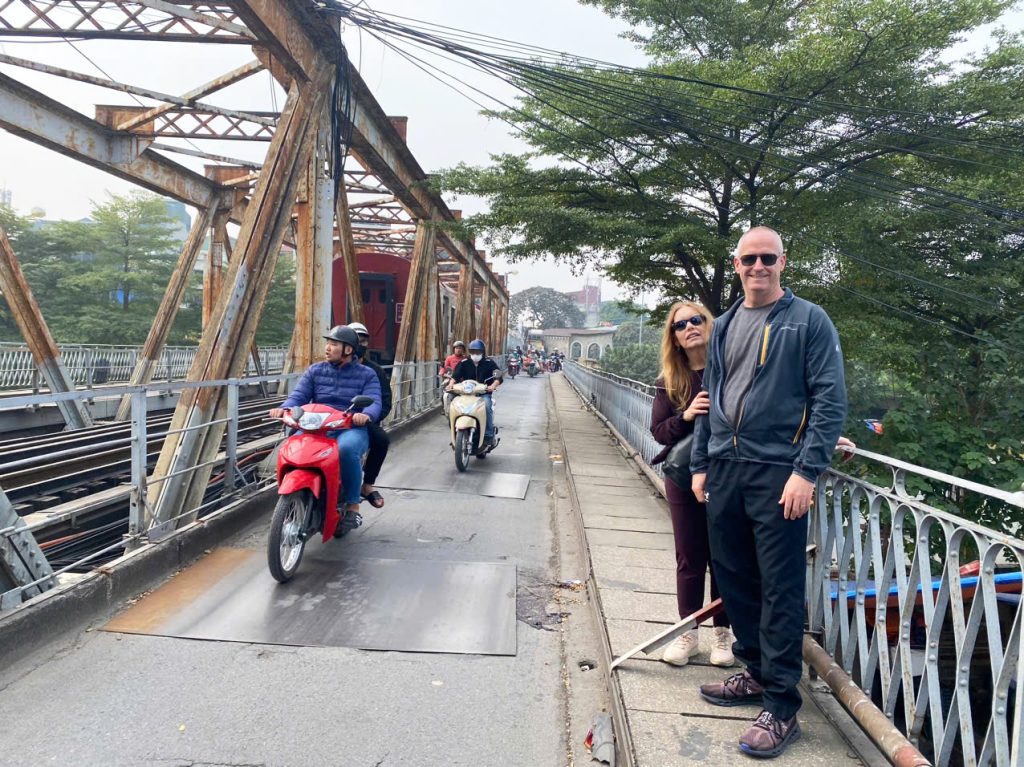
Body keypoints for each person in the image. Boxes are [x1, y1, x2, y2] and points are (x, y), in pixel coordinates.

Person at [691, 227, 847, 759]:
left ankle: (782, 706)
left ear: (783, 262)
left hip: (778, 471)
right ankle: (755, 673)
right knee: (734, 578)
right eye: (748, 258)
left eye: (767, 258)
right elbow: (711, 398)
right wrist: (701, 462)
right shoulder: (726, 324)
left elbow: (829, 398)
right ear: (736, 265)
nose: (758, 266)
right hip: (726, 468)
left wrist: (807, 471)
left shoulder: (807, 320)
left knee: (779, 586)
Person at [650, 301, 734, 668]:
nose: (689, 328)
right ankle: (688, 631)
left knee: (723, 556)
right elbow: (658, 432)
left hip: (727, 475)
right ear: (675, 339)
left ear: (709, 325)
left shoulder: (731, 370)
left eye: (696, 320)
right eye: (680, 325)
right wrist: (685, 416)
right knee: (689, 556)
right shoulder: (670, 381)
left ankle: (723, 634)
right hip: (683, 477)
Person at [269, 325, 382, 535]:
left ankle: (352, 504)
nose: (328, 348)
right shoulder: (315, 370)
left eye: (334, 344)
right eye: (328, 343)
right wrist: (284, 408)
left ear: (348, 350)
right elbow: (299, 396)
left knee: (346, 450)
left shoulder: (366, 374)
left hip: (349, 427)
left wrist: (365, 414)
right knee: (292, 446)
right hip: (317, 425)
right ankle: (296, 492)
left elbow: (374, 401)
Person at [349, 322, 390, 510]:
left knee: (381, 439)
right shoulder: (326, 368)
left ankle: (367, 485)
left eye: (363, 341)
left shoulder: (375, 371)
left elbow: (384, 401)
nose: (360, 345)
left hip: (363, 420)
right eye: (356, 340)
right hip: (331, 420)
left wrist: (370, 417)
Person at [450, 339, 502, 447]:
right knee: (453, 406)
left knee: (487, 406)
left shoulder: (489, 363)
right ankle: (455, 434)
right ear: (469, 351)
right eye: (473, 351)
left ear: (483, 352)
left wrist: (493, 386)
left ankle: (488, 434)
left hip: (483, 394)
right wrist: (451, 384)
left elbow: (498, 377)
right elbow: (455, 376)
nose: (475, 354)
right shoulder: (464, 363)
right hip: (466, 394)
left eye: (478, 351)